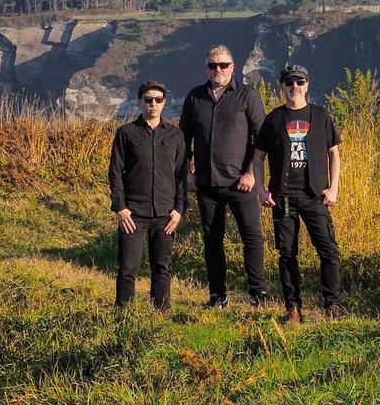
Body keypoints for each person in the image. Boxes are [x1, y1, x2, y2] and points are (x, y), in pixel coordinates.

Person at [179, 45, 271, 307]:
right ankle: (217, 295)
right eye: (212, 65)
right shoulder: (195, 97)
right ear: (206, 67)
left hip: (241, 182)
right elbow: (183, 139)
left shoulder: (247, 96)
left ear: (233, 66)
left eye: (222, 65)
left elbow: (261, 138)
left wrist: (251, 173)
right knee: (212, 240)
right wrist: (187, 173)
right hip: (207, 182)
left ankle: (258, 294)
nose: (217, 70)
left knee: (251, 236)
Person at [255, 64, 343, 322]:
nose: (295, 87)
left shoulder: (321, 115)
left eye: (299, 82)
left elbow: (334, 153)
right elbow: (258, 157)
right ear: (282, 87)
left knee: (328, 250)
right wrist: (261, 189)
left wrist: (334, 187)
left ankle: (332, 304)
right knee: (287, 253)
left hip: (314, 195)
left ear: (307, 85)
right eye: (289, 83)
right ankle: (292, 307)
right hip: (283, 197)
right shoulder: (274, 119)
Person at [108, 80, 187, 309]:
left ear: (164, 103)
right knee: (127, 268)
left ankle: (160, 317)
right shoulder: (126, 133)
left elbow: (182, 175)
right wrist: (120, 208)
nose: (153, 104)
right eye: (148, 100)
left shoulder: (175, 135)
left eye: (158, 100)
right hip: (133, 213)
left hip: (165, 213)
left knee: (162, 268)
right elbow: (115, 172)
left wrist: (179, 210)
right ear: (140, 102)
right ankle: (124, 316)